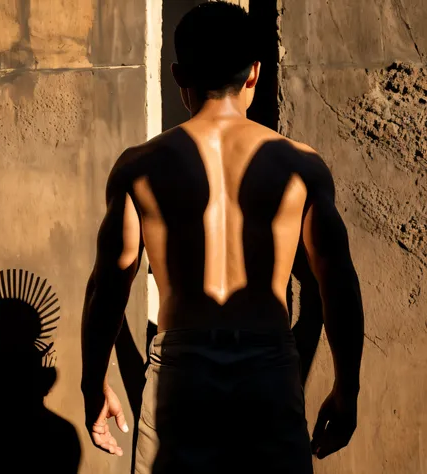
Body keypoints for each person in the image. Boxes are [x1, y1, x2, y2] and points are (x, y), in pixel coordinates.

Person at [81, 2, 364, 473]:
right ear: (254, 73)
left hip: (182, 370)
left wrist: (94, 384)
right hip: (267, 366)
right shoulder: (301, 165)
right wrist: (346, 389)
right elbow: (337, 284)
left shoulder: (139, 166)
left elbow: (109, 286)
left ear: (177, 75)